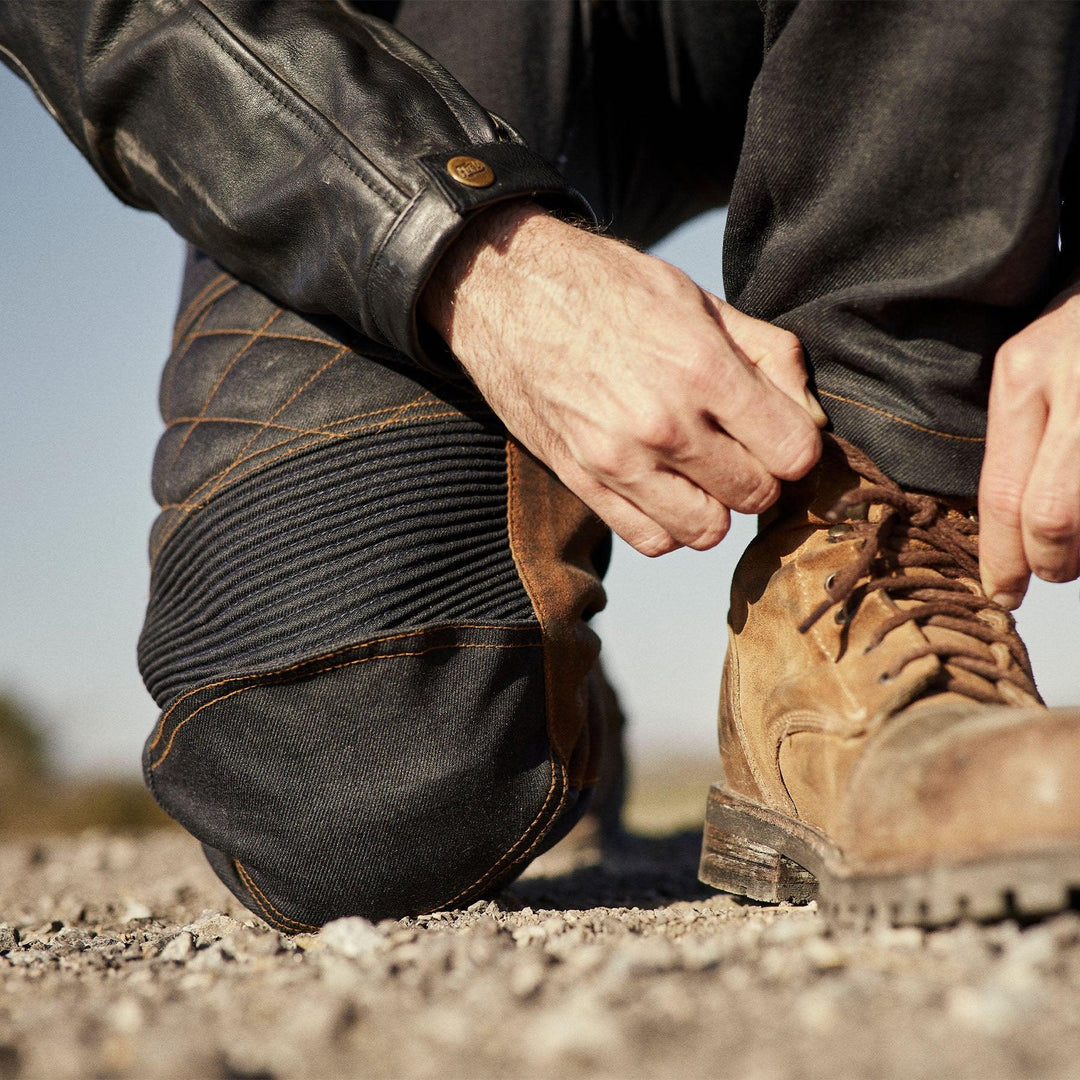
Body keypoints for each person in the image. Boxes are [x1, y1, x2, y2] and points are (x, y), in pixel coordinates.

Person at [3, 0, 1079, 931]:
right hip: (403, 37)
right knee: (354, 781)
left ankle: (867, 581)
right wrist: (465, 257)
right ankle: (550, 690)